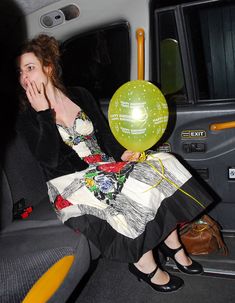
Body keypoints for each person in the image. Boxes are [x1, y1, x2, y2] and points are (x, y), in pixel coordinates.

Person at [16, 34, 213, 293]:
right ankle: (144, 264)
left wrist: (122, 154)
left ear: (48, 67)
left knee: (161, 164)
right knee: (131, 191)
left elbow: (106, 136)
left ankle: (171, 242)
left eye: (29, 68)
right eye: (19, 72)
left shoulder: (80, 95)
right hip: (70, 183)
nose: (24, 77)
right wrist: (43, 113)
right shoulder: (27, 116)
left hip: (105, 166)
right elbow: (50, 160)